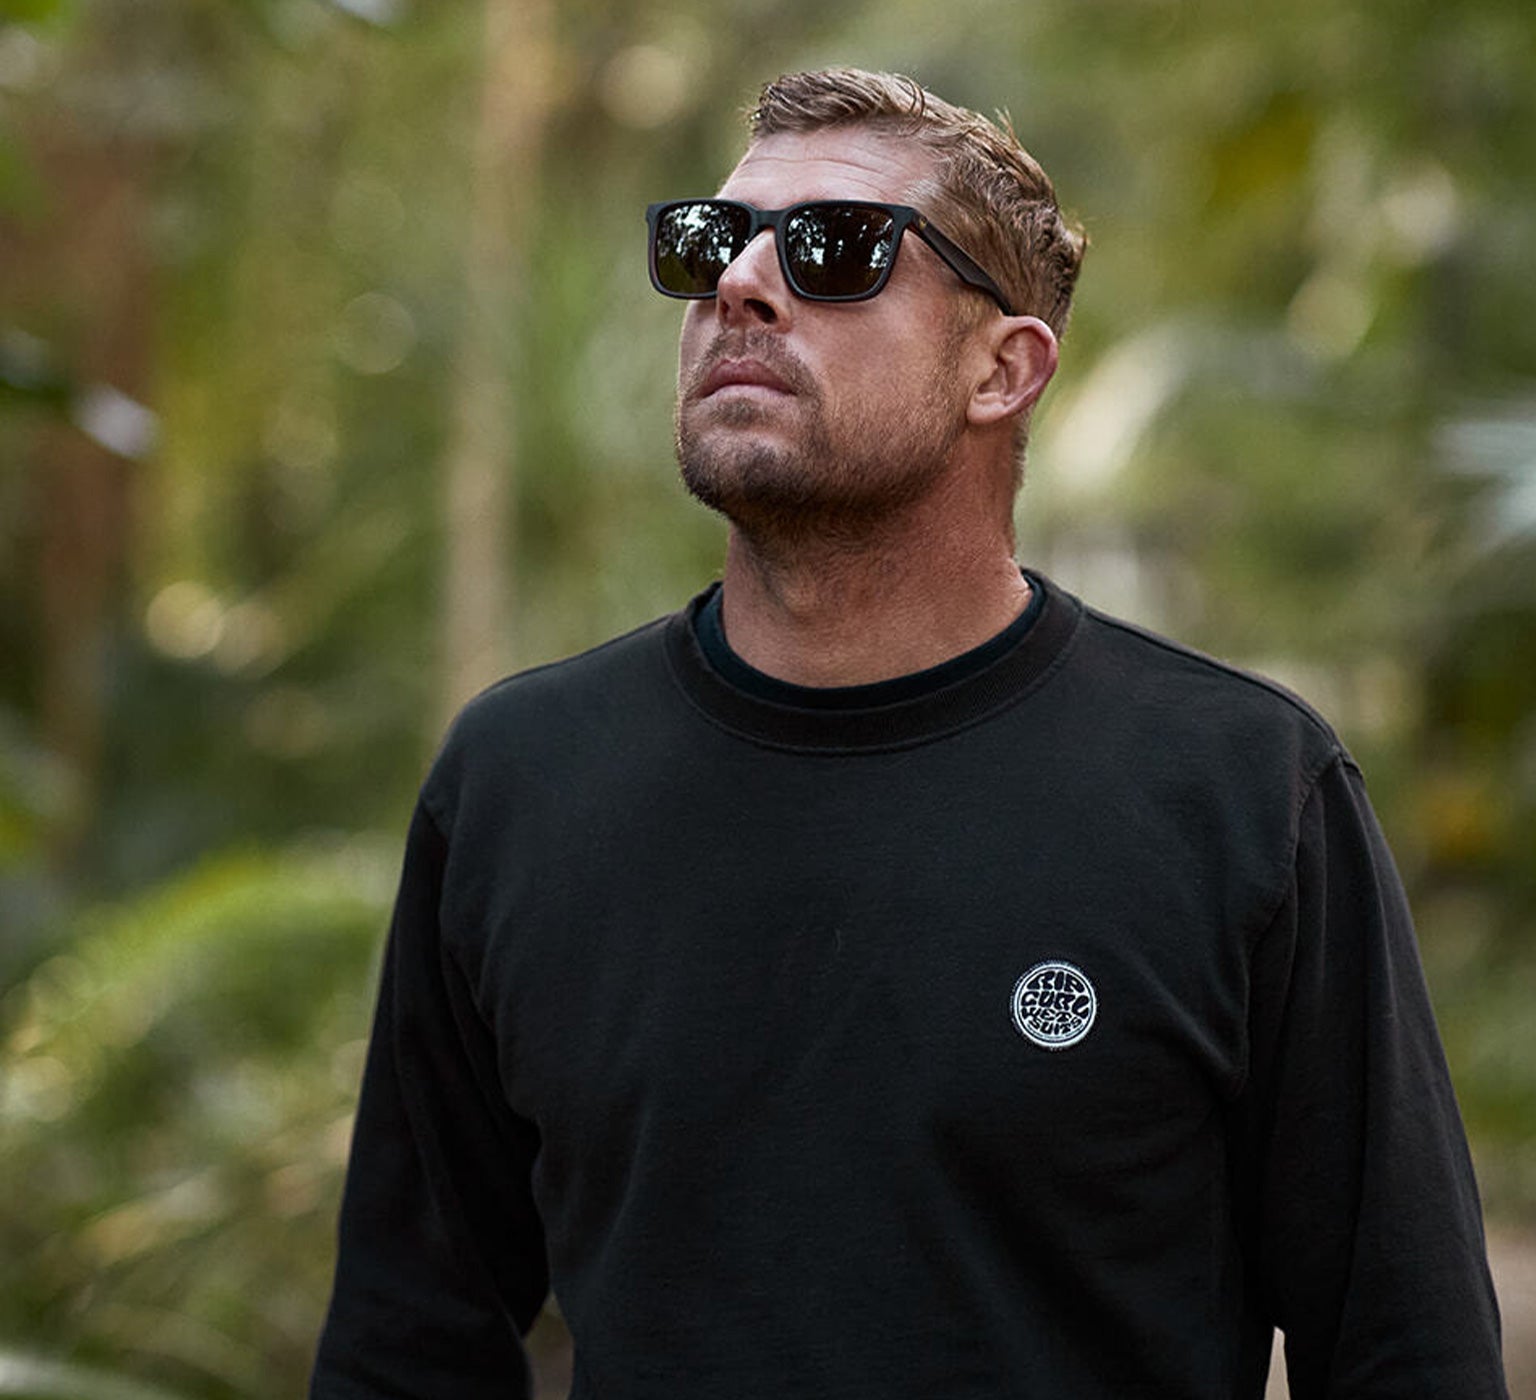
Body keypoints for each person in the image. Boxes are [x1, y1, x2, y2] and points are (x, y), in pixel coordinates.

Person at [309, 67, 1508, 1399]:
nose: (740, 285)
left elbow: (1408, 1354)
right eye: (710, 242)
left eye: (834, 249)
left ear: (1004, 369)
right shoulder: (521, 778)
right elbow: (405, 1346)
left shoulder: (1241, 793)